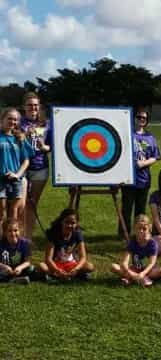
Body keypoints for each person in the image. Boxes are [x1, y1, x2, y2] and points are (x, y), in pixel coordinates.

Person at [120, 107, 160, 236]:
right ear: (134, 118)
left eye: (144, 118)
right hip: (128, 177)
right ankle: (124, 233)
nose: (141, 120)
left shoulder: (150, 137)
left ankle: (139, 232)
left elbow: (155, 156)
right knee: (126, 207)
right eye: (139, 117)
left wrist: (143, 163)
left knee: (140, 208)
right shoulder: (127, 134)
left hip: (143, 178)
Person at [20, 92, 52, 241]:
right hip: (22, 168)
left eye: (35, 105)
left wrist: (44, 147)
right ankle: (15, 236)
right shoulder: (18, 123)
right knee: (20, 204)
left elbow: (50, 146)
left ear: (39, 107)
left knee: (32, 204)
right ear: (24, 107)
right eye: (30, 105)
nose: (33, 107)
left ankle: (27, 238)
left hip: (41, 168)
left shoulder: (47, 124)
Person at [0, 107, 31, 238]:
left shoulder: (20, 138)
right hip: (0, 180)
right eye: (10, 118)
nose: (13, 121)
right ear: (2, 119)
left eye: (15, 119)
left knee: (14, 213)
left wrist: (17, 175)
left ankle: (13, 243)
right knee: (1, 213)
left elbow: (26, 160)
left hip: (16, 180)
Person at [39, 208, 95, 281]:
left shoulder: (77, 234)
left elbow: (83, 257)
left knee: (90, 266)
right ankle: (59, 275)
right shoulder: (54, 235)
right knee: (42, 266)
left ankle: (61, 276)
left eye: (73, 223)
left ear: (77, 223)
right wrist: (57, 270)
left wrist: (76, 269)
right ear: (61, 222)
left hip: (71, 265)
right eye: (67, 222)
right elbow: (48, 259)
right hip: (56, 264)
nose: (69, 225)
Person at [111, 214, 161, 287]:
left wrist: (142, 274)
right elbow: (124, 262)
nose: (141, 231)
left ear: (149, 228)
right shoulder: (132, 241)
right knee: (113, 266)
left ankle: (131, 279)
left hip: (149, 271)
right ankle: (140, 279)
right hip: (135, 269)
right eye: (139, 228)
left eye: (144, 229)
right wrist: (131, 273)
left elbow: (151, 263)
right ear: (134, 228)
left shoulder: (152, 243)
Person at [0, 219, 35, 284]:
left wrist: (20, 268)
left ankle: (16, 279)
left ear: (20, 231)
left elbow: (28, 262)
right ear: (5, 232)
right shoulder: (1, 244)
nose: (13, 233)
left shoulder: (25, 243)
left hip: (19, 270)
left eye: (15, 230)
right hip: (4, 270)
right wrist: (4, 267)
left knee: (31, 269)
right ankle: (12, 280)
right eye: (10, 231)